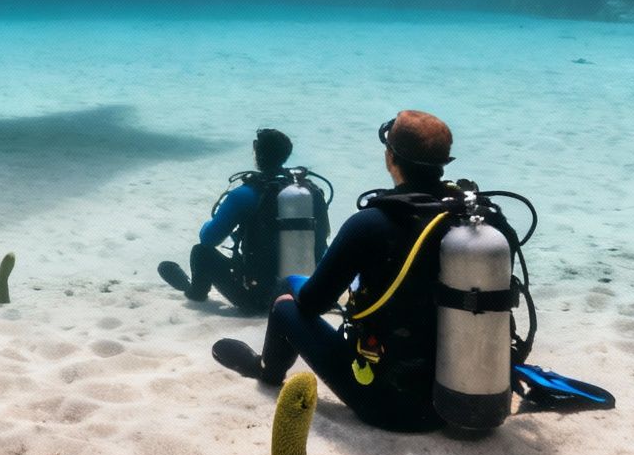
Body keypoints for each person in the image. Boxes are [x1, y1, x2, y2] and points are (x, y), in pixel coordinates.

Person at [211, 110, 492, 432]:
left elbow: (313, 304)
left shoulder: (371, 224)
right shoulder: (475, 223)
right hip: (467, 401)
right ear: (445, 161)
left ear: (390, 157)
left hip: (388, 406)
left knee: (286, 298)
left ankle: (267, 372)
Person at [157, 128, 318, 313]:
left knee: (201, 252)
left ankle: (195, 293)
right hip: (305, 295)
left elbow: (208, 239)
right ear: (286, 154)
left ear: (256, 151)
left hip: (259, 300)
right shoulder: (309, 191)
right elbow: (323, 238)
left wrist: (208, 225)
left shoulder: (245, 194)